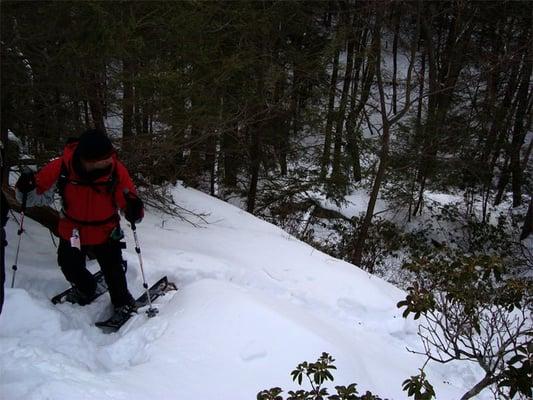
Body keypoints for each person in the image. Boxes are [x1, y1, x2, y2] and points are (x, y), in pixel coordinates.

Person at [15, 129, 144, 317]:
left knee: (113, 269)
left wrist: (134, 209)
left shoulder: (116, 170)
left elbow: (129, 202)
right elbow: (33, 198)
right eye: (104, 159)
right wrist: (24, 188)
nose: (110, 161)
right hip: (72, 230)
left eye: (110, 157)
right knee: (69, 265)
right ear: (88, 160)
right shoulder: (62, 167)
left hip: (106, 230)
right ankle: (86, 287)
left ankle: (122, 301)